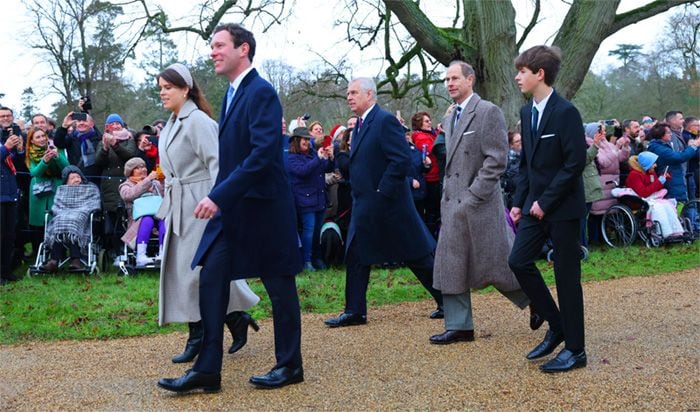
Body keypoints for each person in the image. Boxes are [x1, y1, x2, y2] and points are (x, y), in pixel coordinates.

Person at [157, 24, 303, 393]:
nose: (213, 52)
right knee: (211, 277)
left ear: (244, 49)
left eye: (220, 45)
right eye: (212, 46)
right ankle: (208, 370)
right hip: (235, 211)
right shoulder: (232, 94)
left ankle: (290, 365)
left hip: (265, 210)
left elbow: (261, 155)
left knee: (279, 287)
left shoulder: (262, 92)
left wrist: (218, 195)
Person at [152, 63, 260, 366]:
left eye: (168, 87)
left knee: (195, 274)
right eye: (160, 87)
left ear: (185, 89)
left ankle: (199, 335)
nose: (162, 92)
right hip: (180, 207)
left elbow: (219, 166)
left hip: (201, 206)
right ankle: (235, 318)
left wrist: (218, 204)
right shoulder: (173, 123)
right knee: (195, 273)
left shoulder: (197, 121)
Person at [430, 61, 536, 345]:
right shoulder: (451, 115)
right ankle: (459, 326)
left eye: (455, 78)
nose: (449, 83)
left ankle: (536, 301)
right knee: (450, 262)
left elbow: (496, 159)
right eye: (446, 79)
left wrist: (474, 195)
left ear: (470, 80)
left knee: (497, 264)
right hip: (452, 203)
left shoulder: (488, 111)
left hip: (479, 205)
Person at [324, 77, 444, 328]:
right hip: (364, 204)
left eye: (354, 92)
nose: (349, 97)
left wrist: (382, 191)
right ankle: (355, 310)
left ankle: (448, 300)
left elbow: (400, 160)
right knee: (356, 253)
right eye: (348, 93)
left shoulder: (384, 120)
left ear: (369, 94)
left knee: (416, 255)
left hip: (389, 205)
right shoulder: (359, 125)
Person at [508, 45, 588, 373]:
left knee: (566, 278)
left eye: (523, 71)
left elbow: (574, 163)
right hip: (532, 206)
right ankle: (556, 325)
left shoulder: (566, 112)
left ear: (539, 74)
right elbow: (527, 165)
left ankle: (576, 350)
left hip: (563, 208)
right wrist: (518, 202)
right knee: (518, 261)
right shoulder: (527, 113)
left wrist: (546, 201)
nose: (517, 76)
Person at [287, 126, 334, 271]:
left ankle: (317, 258)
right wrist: (318, 159)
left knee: (317, 231)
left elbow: (326, 168)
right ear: (296, 141)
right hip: (305, 200)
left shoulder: (313, 154)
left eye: (308, 139)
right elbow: (303, 171)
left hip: (319, 198)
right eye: (304, 139)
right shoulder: (292, 157)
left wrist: (330, 158)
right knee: (308, 231)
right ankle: (306, 261)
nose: (307, 142)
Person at [39, 166, 101, 272]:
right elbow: (57, 206)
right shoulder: (62, 190)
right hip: (63, 213)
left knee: (73, 221)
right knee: (59, 221)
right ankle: (54, 260)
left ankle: (75, 260)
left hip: (82, 215)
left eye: (78, 177)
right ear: (66, 181)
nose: (76, 179)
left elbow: (94, 203)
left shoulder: (90, 188)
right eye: (72, 178)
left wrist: (83, 211)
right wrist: (63, 213)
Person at [94, 113, 137, 259]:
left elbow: (130, 156)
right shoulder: (102, 141)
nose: (115, 126)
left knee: (128, 216)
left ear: (122, 124)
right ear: (108, 127)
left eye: (117, 123)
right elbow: (98, 162)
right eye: (112, 124)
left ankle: (130, 250)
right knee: (114, 219)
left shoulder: (129, 138)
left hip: (127, 183)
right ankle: (117, 252)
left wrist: (116, 145)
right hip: (109, 186)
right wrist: (105, 148)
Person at [26, 127, 69, 252]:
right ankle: (41, 252)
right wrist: (44, 161)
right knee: (40, 224)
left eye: (43, 136)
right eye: (37, 137)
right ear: (32, 141)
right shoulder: (30, 154)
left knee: (55, 221)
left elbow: (66, 168)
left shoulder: (54, 149)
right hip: (39, 192)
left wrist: (57, 157)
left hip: (56, 189)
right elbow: (35, 172)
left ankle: (58, 253)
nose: (42, 139)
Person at [118, 157, 165, 267]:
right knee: (147, 219)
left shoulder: (155, 183)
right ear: (131, 171)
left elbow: (165, 198)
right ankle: (141, 255)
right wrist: (147, 180)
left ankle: (163, 253)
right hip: (137, 220)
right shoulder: (125, 185)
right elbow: (128, 195)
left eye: (143, 166)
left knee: (164, 221)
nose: (143, 169)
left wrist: (162, 182)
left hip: (158, 215)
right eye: (138, 168)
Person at [625, 151, 684, 238]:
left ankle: (675, 231)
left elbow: (656, 187)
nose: (655, 165)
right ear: (646, 164)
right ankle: (663, 232)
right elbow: (643, 193)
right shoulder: (635, 175)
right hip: (638, 201)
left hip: (651, 198)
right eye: (653, 163)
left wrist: (664, 179)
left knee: (667, 205)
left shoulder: (650, 173)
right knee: (658, 207)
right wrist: (659, 182)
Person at [1, 108, 24, 285]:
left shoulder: (13, 135)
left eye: (9, 116)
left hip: (10, 192)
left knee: (10, 236)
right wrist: (5, 147)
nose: (6, 118)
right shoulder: (5, 141)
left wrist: (20, 149)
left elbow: (17, 165)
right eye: (2, 116)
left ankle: (6, 271)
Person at [647, 122, 698, 202]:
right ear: (661, 135)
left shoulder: (662, 146)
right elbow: (679, 157)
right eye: (668, 132)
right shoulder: (660, 149)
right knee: (676, 208)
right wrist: (694, 146)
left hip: (674, 182)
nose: (671, 134)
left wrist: (689, 147)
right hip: (671, 185)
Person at [410, 111, 441, 235]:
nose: (430, 123)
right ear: (419, 123)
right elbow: (433, 148)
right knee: (431, 209)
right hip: (430, 178)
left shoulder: (431, 134)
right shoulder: (420, 136)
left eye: (430, 120)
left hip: (436, 176)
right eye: (426, 121)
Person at [581, 123, 604, 247]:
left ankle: (583, 245)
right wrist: (595, 145)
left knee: (583, 218)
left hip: (588, 184)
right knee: (581, 219)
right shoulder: (576, 142)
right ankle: (582, 246)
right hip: (584, 185)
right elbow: (582, 159)